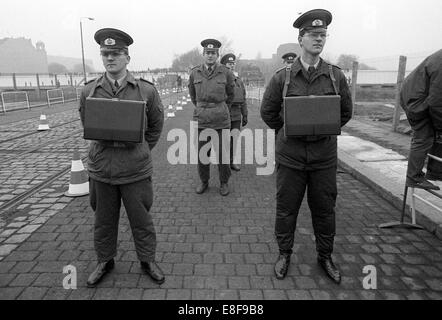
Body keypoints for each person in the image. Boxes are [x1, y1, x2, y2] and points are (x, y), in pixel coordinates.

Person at [260, 9, 353, 284]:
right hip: (291, 158)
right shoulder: (283, 77)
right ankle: (284, 254)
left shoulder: (335, 76)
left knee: (325, 210)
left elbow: (345, 112)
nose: (319, 39)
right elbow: (268, 112)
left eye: (323, 35)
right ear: (300, 39)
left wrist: (320, 129)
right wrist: (291, 129)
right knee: (286, 208)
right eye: (313, 35)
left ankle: (325, 256)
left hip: (323, 157)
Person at [78, 28, 165, 287]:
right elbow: (87, 123)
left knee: (142, 220)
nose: (110, 58)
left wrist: (140, 150)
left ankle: (147, 260)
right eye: (105, 53)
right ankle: (105, 260)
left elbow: (156, 126)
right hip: (102, 170)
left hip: (135, 171)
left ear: (127, 57)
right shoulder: (89, 91)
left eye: (116, 53)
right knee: (103, 221)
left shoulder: (145, 92)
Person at [188, 39, 235, 196]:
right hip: (202, 120)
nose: (210, 55)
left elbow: (231, 94)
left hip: (221, 120)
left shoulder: (226, 72)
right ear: (203, 54)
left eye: (213, 53)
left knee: (222, 154)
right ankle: (204, 181)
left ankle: (224, 182)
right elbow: (193, 96)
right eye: (207, 53)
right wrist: (203, 108)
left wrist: (220, 108)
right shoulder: (195, 73)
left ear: (217, 54)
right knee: (203, 155)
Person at [401, 49, 442, 190]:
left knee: (432, 133)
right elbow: (437, 101)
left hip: (416, 94)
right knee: (424, 136)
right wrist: (439, 126)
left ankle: (434, 172)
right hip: (416, 100)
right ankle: (414, 178)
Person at [220, 53, 248, 171]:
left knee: (234, 140)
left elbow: (243, 98)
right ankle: (223, 164)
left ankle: (231, 162)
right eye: (229, 64)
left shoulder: (239, 81)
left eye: (233, 63)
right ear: (224, 65)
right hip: (224, 115)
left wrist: (245, 114)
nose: (231, 66)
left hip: (236, 115)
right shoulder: (220, 80)